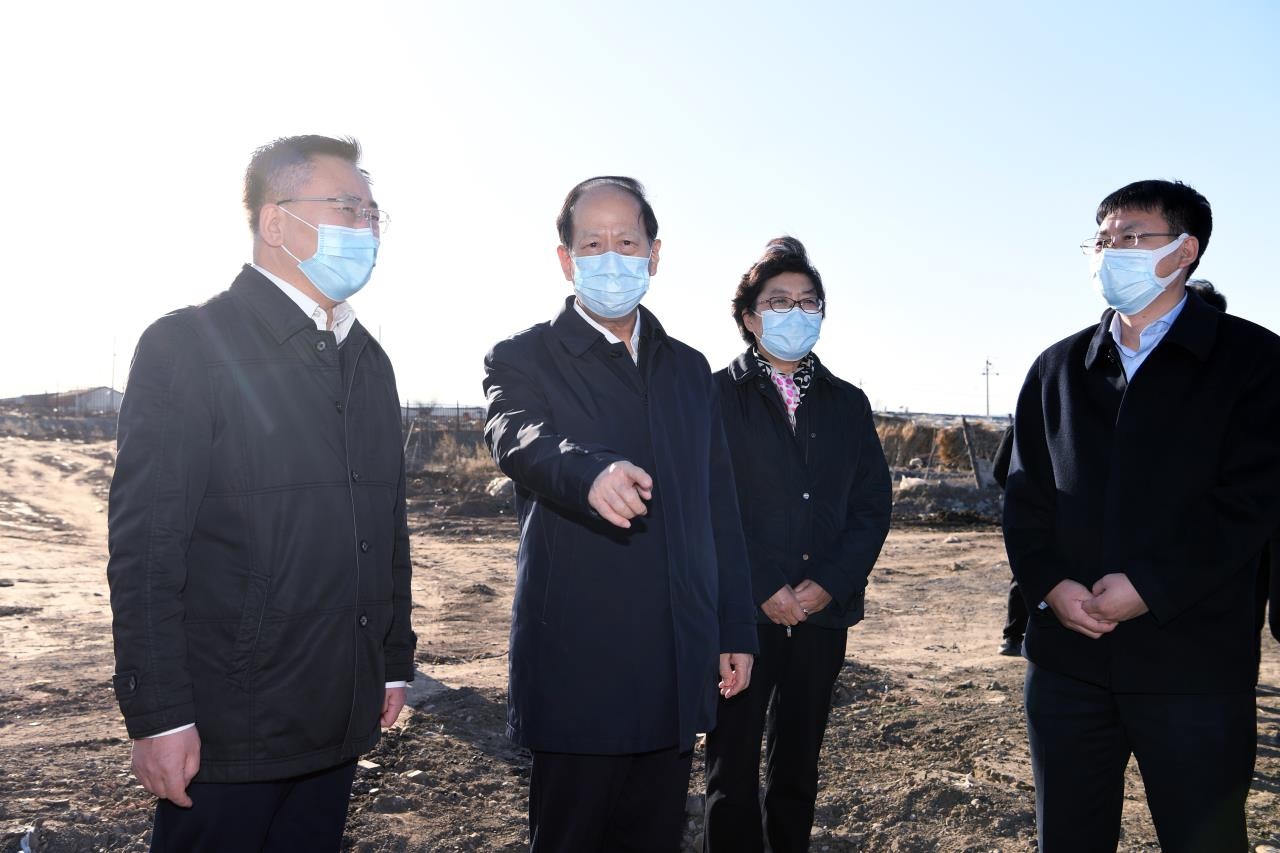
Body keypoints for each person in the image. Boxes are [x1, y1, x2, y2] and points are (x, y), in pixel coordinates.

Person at [107, 135, 416, 852]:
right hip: (229, 726)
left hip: (337, 715)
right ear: (276, 222)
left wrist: (392, 658)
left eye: (373, 213)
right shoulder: (188, 345)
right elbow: (147, 549)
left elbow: (386, 529)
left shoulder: (368, 360)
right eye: (347, 208)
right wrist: (159, 714)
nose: (366, 228)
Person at [482, 176, 758, 852]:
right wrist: (589, 472)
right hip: (579, 661)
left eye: (627, 242)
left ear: (654, 254)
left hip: (674, 658)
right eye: (592, 243)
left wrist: (734, 626)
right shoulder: (523, 357)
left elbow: (719, 506)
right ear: (565, 259)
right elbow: (515, 435)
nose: (611, 257)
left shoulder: (689, 371)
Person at [1003, 179, 1280, 852]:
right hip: (1069, 665)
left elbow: (1251, 503)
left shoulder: (1254, 361)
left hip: (1194, 668)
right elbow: (1024, 497)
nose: (1111, 253)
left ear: (1184, 250)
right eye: (1102, 240)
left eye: (1131, 237)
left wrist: (1150, 586)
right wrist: (1050, 584)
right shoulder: (1058, 368)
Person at [702, 237, 890, 853]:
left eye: (808, 301)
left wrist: (829, 583)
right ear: (750, 317)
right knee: (731, 766)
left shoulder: (847, 403)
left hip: (820, 613)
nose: (796, 312)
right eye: (778, 301)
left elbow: (870, 506)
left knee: (798, 764)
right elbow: (706, 505)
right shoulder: (714, 397)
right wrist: (762, 587)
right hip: (740, 616)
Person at [991, 425, 1027, 656]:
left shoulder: (1020, 427)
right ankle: (1013, 637)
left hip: (1030, 508)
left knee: (1025, 571)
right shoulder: (1018, 429)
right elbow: (999, 469)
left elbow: (998, 469)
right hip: (1032, 510)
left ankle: (1015, 637)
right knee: (1025, 572)